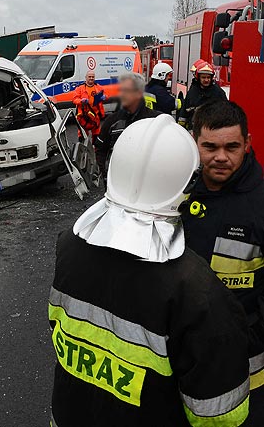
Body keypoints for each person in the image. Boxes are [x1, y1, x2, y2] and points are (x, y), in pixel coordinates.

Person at [50, 114, 250, 427]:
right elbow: (220, 416)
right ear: (185, 186)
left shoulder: (70, 245)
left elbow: (60, 329)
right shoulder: (197, 289)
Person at [183, 100, 264, 424]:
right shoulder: (176, 190)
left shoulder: (259, 205)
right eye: (210, 146)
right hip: (180, 354)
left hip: (245, 365)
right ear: (194, 142)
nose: (220, 156)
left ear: (247, 143)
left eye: (232, 147)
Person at [95, 72, 159, 180]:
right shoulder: (111, 122)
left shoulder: (155, 120)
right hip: (118, 185)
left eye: (127, 91)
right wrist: (107, 176)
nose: (122, 95)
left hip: (146, 183)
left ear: (139, 93)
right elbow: (100, 151)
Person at [178, 60, 227, 129]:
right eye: (203, 77)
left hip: (211, 129)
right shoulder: (193, 91)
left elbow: (225, 112)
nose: (206, 80)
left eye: (208, 77)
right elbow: (185, 110)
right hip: (194, 129)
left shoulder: (218, 92)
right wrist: (181, 128)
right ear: (198, 78)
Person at [72, 71, 106, 140]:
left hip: (95, 116)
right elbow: (74, 99)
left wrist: (104, 97)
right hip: (84, 116)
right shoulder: (80, 88)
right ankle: (83, 149)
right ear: (86, 78)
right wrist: (81, 101)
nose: (91, 78)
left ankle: (95, 149)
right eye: (89, 77)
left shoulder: (98, 87)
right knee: (82, 135)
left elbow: (105, 95)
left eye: (93, 77)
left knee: (96, 135)